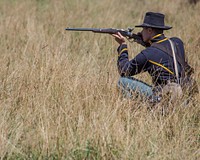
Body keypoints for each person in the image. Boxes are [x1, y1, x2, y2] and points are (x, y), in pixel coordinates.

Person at [112, 12, 198, 103]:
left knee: (123, 82)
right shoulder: (177, 42)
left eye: (143, 29)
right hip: (184, 94)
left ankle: (143, 109)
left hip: (165, 96)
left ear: (149, 30)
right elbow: (160, 50)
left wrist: (123, 46)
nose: (141, 32)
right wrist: (145, 41)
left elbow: (124, 70)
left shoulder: (148, 54)